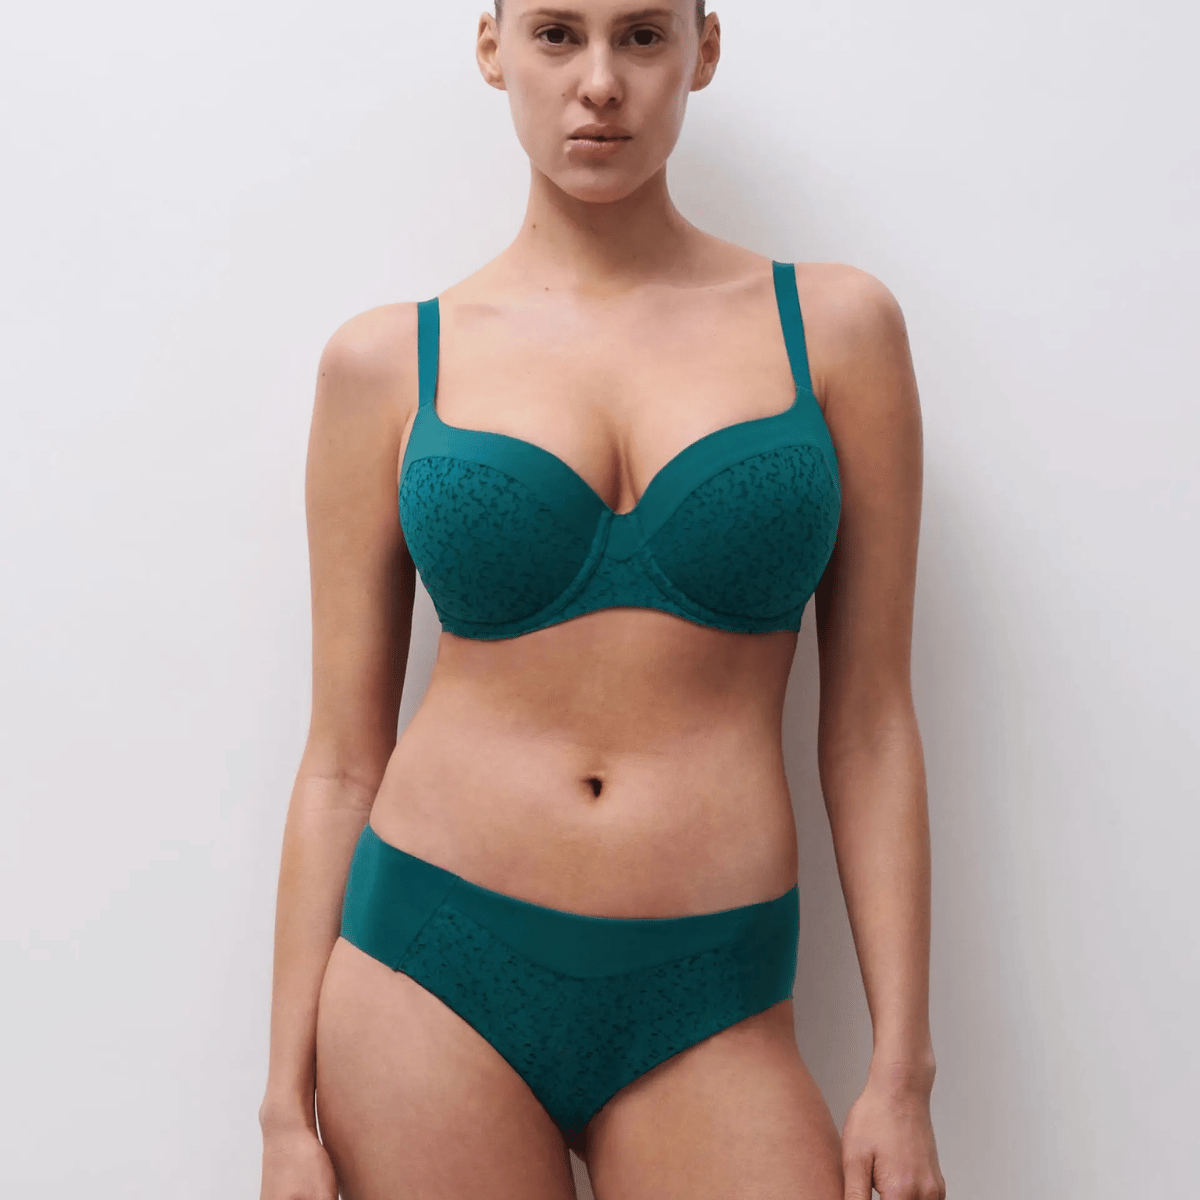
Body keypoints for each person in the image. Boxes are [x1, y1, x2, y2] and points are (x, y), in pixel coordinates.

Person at [257, 2, 945, 1198]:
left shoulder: (836, 331)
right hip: (431, 967)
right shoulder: (386, 362)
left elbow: (872, 725)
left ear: (703, 49)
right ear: (492, 49)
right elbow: (340, 761)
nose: (599, 84)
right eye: (556, 34)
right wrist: (282, 1113)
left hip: (713, 984)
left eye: (641, 36)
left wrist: (903, 1071)